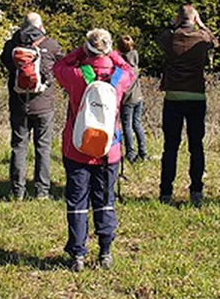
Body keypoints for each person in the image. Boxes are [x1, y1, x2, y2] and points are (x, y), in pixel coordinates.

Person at [54, 29, 134, 271]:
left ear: (87, 49)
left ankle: (77, 254)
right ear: (109, 49)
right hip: (109, 150)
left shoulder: (77, 75)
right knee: (106, 200)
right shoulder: (119, 76)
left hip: (77, 148)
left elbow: (57, 67)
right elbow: (131, 70)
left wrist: (80, 51)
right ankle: (105, 252)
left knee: (77, 201)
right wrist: (113, 55)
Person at [156, 4, 219, 207]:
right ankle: (196, 191)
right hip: (196, 96)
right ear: (194, 18)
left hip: (173, 96)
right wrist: (201, 25)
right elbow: (215, 42)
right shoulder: (201, 38)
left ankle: (166, 192)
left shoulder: (171, 38)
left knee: (170, 147)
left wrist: (172, 24)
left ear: (178, 18)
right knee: (196, 146)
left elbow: (160, 38)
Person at [1, 13, 63, 200]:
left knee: (19, 147)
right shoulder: (50, 44)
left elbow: (5, 62)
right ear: (40, 26)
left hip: (19, 104)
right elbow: (62, 63)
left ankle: (17, 191)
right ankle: (42, 191)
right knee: (43, 148)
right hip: (44, 105)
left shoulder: (12, 45)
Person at [117, 35, 147, 163]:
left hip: (128, 99)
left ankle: (130, 153)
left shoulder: (122, 65)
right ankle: (143, 152)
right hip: (138, 96)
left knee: (127, 126)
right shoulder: (135, 59)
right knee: (137, 124)